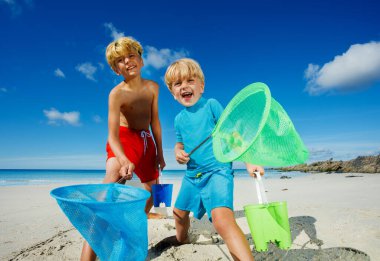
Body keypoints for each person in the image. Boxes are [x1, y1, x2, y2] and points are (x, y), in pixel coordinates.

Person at [164, 58, 264, 261]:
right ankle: (182, 241)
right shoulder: (178, 119)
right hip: (192, 175)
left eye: (190, 81)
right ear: (173, 94)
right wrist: (177, 151)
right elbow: (180, 142)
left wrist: (249, 161)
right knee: (178, 214)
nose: (184, 86)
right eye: (178, 84)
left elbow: (233, 135)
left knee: (222, 220)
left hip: (217, 171)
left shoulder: (211, 105)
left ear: (201, 86)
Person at [80, 36, 166, 261]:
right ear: (116, 69)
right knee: (109, 187)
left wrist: (160, 152)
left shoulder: (153, 87)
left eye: (131, 55)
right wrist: (123, 158)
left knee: (150, 194)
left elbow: (155, 122)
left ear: (141, 60)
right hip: (124, 139)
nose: (127, 61)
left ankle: (131, 230)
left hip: (147, 141)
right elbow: (112, 134)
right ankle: (88, 255)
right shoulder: (116, 93)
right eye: (120, 60)